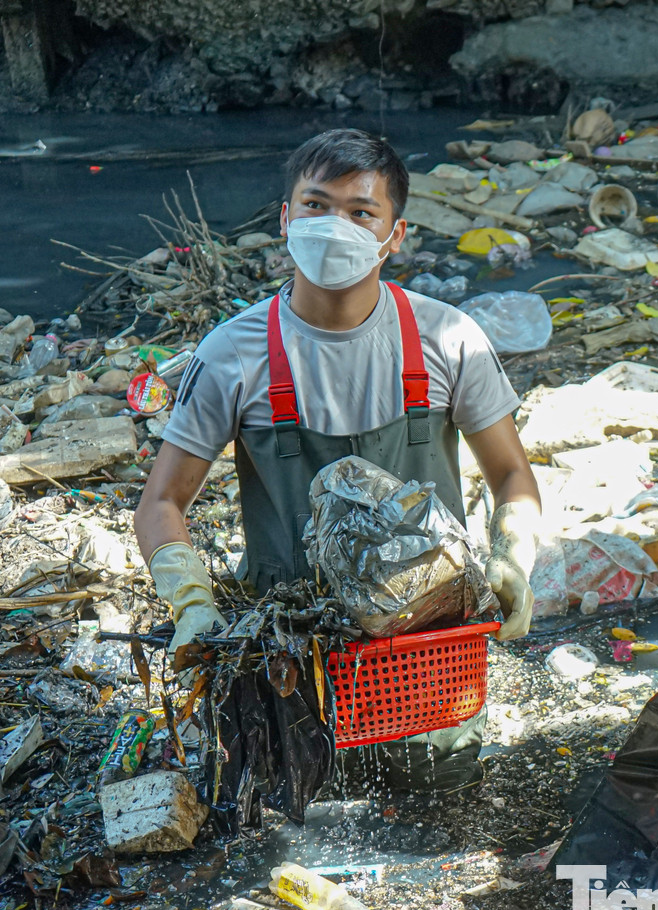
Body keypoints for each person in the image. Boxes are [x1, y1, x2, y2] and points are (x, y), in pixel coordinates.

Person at [133, 128, 541, 792]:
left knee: (447, 800)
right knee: (292, 821)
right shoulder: (234, 355)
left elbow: (511, 474)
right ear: (287, 219)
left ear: (394, 235)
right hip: (292, 658)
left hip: (427, 657)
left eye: (360, 212)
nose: (334, 226)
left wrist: (513, 555)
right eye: (317, 206)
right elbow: (160, 502)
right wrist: (192, 604)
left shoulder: (447, 339)